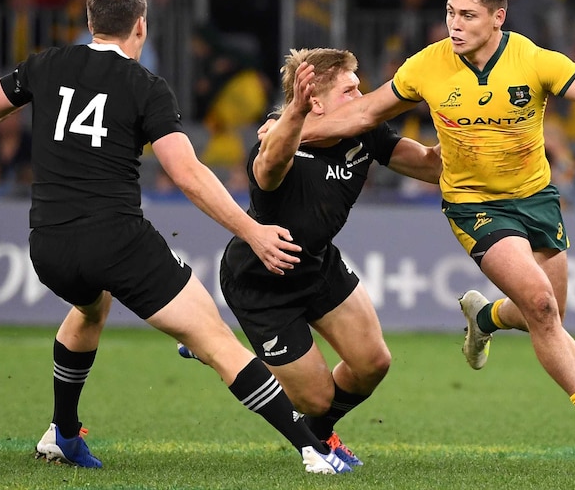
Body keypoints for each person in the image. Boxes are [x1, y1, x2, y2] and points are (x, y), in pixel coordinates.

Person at [298, 0, 575, 458]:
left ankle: (485, 320)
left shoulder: (535, 61)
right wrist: (286, 134)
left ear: (498, 17)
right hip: (473, 205)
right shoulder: (425, 67)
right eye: (450, 13)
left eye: (467, 15)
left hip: (537, 199)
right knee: (542, 306)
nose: (454, 26)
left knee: (549, 315)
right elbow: (364, 114)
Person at [0, 0, 351, 475]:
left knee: (88, 308)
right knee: (215, 339)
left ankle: (63, 431)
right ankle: (312, 450)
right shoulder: (145, 86)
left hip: (49, 245)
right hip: (117, 241)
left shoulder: (46, 64)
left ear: (90, 23)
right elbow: (187, 174)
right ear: (141, 25)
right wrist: (252, 230)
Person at [179, 47, 442, 466]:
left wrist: (476, 138)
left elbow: (431, 166)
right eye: (348, 89)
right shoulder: (276, 142)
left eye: (359, 86)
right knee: (317, 399)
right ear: (313, 101)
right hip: (262, 281)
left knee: (373, 363)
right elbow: (270, 164)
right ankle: (225, 349)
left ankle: (319, 437)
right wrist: (294, 116)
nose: (361, 96)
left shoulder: (364, 132)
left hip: (318, 265)